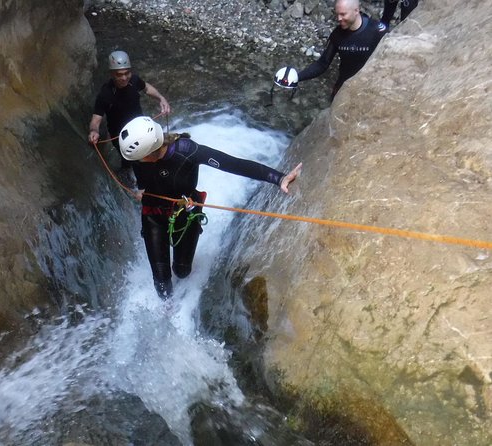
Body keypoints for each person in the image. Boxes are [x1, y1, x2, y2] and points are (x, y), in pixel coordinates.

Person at [118, 116, 302, 298]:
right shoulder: (139, 156)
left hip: (186, 213)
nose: (137, 162)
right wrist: (141, 190)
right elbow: (144, 179)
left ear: (151, 152)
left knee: (182, 271)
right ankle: (167, 309)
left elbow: (234, 164)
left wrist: (278, 178)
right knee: (160, 278)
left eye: (140, 158)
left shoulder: (187, 151)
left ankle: (180, 278)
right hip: (153, 213)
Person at [88, 50, 171, 168]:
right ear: (111, 74)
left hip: (141, 127)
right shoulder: (105, 94)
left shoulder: (134, 81)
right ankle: (129, 173)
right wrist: (94, 131)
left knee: (154, 152)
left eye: (127, 73)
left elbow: (146, 88)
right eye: (119, 74)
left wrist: (161, 98)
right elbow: (96, 119)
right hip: (122, 136)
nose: (124, 78)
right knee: (131, 162)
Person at [291, 0, 388, 100]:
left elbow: (389, 63)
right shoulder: (337, 34)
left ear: (356, 10)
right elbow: (322, 64)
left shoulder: (377, 31)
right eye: (337, 14)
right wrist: (296, 77)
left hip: (369, 89)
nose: (339, 18)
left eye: (343, 14)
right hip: (343, 87)